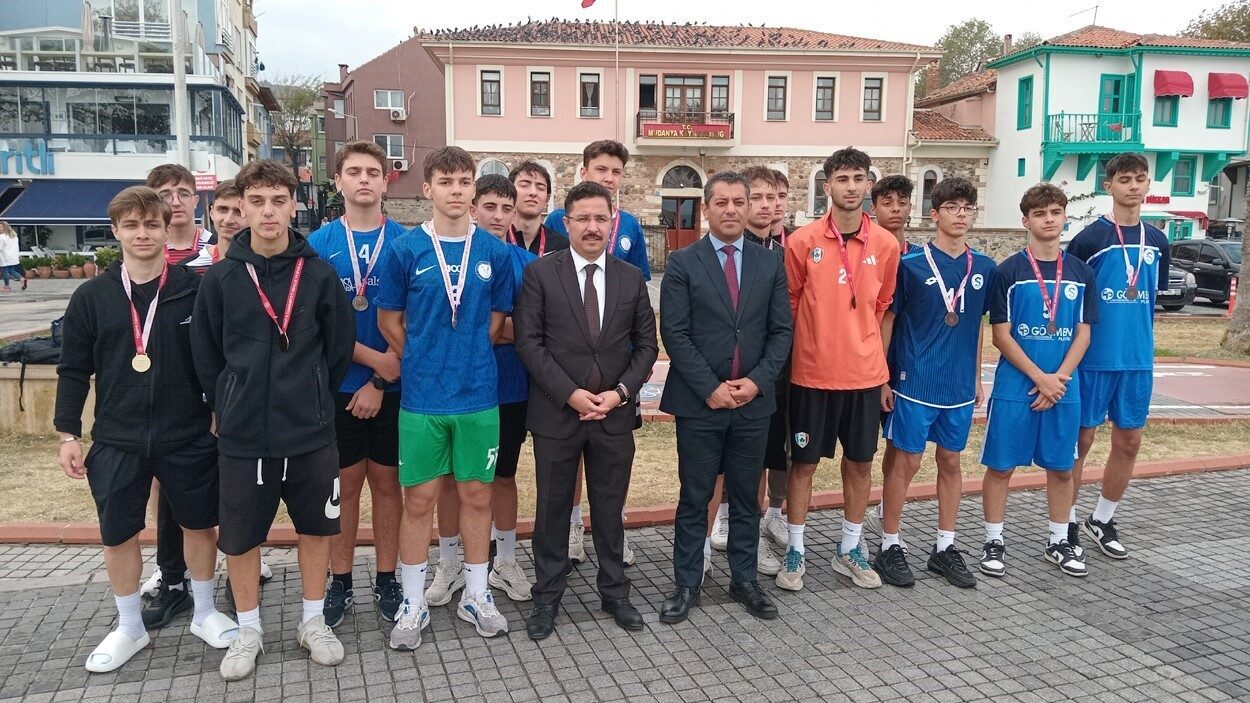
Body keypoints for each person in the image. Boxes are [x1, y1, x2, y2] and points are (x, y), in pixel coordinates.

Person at [56, 186, 237, 672]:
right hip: (118, 438)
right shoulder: (92, 296)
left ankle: (204, 611)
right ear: (116, 231)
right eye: (131, 225)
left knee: (200, 525)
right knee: (118, 534)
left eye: (151, 224)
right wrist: (67, 433)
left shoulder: (194, 289)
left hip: (189, 433)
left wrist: (219, 414)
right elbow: (73, 369)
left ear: (165, 228)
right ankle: (130, 625)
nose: (142, 234)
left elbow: (218, 359)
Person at [192, 159, 355, 680]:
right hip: (243, 435)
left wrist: (313, 394)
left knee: (316, 528)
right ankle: (249, 630)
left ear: (293, 205)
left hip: (310, 431)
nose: (268, 212)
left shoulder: (319, 274)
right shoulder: (221, 277)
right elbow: (206, 353)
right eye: (257, 202)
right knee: (241, 537)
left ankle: (313, 621)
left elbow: (338, 349)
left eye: (278, 201)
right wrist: (229, 400)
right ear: (241, 207)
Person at [375, 146, 516, 650]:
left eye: (463, 181)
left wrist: (465, 356)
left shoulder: (495, 253)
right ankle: (413, 602)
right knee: (419, 500)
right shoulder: (404, 249)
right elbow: (388, 320)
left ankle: (477, 594)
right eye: (446, 181)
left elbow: (496, 322)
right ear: (427, 188)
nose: (456, 190)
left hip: (478, 395)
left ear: (473, 188)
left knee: (477, 495)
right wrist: (421, 358)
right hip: (422, 400)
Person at [514, 181, 658, 640]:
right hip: (558, 414)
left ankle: (615, 592)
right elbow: (529, 344)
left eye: (601, 218)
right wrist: (570, 394)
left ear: (612, 222)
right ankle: (547, 597)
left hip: (614, 415)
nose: (592, 227)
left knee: (610, 509)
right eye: (583, 218)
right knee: (552, 509)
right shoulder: (540, 274)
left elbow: (647, 346)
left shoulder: (631, 278)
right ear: (567, 222)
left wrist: (620, 394)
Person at [658, 172, 793, 624]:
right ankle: (687, 582)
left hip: (753, 404)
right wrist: (709, 388)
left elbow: (781, 332)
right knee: (695, 496)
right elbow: (674, 333)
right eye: (722, 202)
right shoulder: (683, 263)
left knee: (746, 498)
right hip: (700, 404)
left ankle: (744, 579)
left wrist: (757, 382)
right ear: (708, 208)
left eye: (739, 201)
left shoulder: (770, 263)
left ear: (749, 205)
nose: (732, 209)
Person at [780, 147, 899, 592]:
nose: (851, 187)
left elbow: (883, 308)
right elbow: (791, 305)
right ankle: (795, 547)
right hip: (811, 375)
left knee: (860, 463)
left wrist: (880, 371)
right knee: (803, 465)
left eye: (858, 178)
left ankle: (849, 547)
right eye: (842, 179)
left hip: (864, 377)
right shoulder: (801, 241)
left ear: (869, 184)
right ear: (827, 185)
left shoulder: (886, 244)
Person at [874, 178, 996, 589]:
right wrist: (883, 377)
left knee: (951, 461)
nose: (960, 215)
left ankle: (945, 547)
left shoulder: (984, 268)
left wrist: (976, 376)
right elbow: (889, 320)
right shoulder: (911, 265)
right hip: (914, 382)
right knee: (907, 462)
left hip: (958, 387)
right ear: (934, 214)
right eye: (952, 207)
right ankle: (889, 543)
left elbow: (976, 325)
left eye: (967, 208)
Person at [307, 140, 408, 628]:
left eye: (372, 171)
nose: (364, 179)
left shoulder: (408, 241)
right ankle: (341, 580)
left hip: (395, 385)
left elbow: (419, 319)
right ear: (338, 181)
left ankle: (387, 577)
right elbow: (313, 324)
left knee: (387, 484)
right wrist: (372, 366)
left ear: (387, 181)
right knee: (344, 487)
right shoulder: (318, 244)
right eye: (354, 171)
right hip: (340, 387)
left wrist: (383, 380)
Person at [980, 183, 1098, 579]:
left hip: (1064, 387)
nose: (1049, 220)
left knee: (1062, 468)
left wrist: (1057, 380)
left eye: (1055, 212)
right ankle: (993, 540)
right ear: (1025, 221)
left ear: (1065, 216)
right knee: (1001, 467)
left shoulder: (1081, 273)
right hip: (1017, 386)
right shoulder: (1009, 272)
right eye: (1040, 214)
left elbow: (1083, 333)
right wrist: (1039, 378)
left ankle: (1059, 540)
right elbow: (1001, 335)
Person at [544, 140, 649, 566]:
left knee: (612, 467)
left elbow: (637, 292)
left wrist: (624, 383)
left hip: (615, 375)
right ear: (584, 170)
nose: (608, 177)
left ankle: (611, 528)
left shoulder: (631, 226)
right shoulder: (558, 221)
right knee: (565, 466)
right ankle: (572, 525)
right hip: (567, 375)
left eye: (615, 172)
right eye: (601, 169)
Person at [1066, 153, 1170, 560]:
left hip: (1137, 360)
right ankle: (1065, 522)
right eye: (1125, 179)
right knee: (1081, 441)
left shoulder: (1158, 240)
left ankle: (1102, 519)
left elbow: (1151, 299)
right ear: (1108, 185)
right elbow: (1071, 301)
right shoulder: (1089, 239)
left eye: (1140, 179)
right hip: (1093, 359)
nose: (1133, 186)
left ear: (1148, 185)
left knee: (1129, 442)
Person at [138, 164, 215, 624]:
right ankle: (172, 572)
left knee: (219, 482)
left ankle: (234, 557)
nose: (175, 201)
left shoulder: (217, 249)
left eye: (184, 192)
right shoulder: (143, 252)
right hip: (162, 393)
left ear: (195, 199)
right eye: (164, 193)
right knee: (166, 488)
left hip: (212, 389)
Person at [864, 175, 915, 538]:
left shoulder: (920, 258)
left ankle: (885, 510)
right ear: (874, 208)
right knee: (862, 449)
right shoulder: (866, 251)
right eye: (887, 203)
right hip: (868, 359)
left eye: (902, 202)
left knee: (900, 446)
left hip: (909, 362)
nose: (895, 209)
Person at [508, 160, 570, 256]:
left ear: (547, 199)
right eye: (524, 185)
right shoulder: (498, 241)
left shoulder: (562, 247)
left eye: (540, 188)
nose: (533, 192)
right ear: (510, 193)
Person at [207, 181, 245, 262]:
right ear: (211, 213)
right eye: (222, 209)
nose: (228, 220)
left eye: (238, 211)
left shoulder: (264, 265)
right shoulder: (191, 265)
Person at [0, 221, 22, 292]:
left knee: (5, 271)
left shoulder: (2, 237)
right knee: (11, 270)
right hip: (13, 256)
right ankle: (22, 279)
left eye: (1, 227)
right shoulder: (14, 236)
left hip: (5, 257)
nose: (0, 229)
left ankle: (6, 287)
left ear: (5, 228)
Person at [771, 170, 791, 240]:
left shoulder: (794, 241)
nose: (777, 203)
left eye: (782, 196)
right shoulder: (741, 241)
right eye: (771, 197)